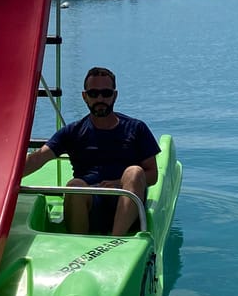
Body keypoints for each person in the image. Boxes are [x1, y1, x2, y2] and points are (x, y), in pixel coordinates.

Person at [23, 66, 160, 236]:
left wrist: (119, 183)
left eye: (106, 93)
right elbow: (37, 159)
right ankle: (80, 243)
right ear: (85, 96)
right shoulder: (73, 132)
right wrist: (1, 181)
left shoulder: (136, 128)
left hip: (126, 204)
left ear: (114, 95)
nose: (100, 99)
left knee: (134, 172)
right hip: (89, 204)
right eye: (94, 94)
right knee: (75, 185)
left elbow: (152, 174)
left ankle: (116, 240)